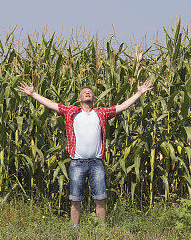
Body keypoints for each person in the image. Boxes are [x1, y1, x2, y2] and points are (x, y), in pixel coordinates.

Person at [17, 78, 153, 227]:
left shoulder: (101, 113)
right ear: (80, 99)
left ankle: (102, 229)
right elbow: (51, 104)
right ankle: (74, 229)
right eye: (84, 92)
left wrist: (139, 93)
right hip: (77, 163)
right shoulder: (71, 112)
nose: (88, 93)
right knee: (75, 199)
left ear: (93, 98)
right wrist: (33, 94)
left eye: (90, 92)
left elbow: (122, 107)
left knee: (100, 197)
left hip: (96, 162)